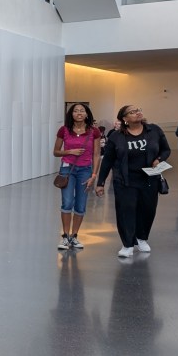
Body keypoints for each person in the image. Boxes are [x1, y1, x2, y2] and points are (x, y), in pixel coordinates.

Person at [96, 105, 171, 258]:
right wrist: (100, 183)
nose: (138, 113)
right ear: (124, 118)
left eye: (138, 110)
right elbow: (108, 160)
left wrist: (159, 159)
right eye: (132, 112)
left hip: (149, 179)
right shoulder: (116, 137)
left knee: (148, 210)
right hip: (125, 180)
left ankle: (141, 238)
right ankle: (128, 244)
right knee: (126, 211)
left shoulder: (154, 130)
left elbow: (166, 150)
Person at [52, 103, 101, 250]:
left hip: (85, 170)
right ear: (71, 114)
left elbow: (96, 154)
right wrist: (69, 152)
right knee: (67, 202)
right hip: (67, 169)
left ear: (87, 114)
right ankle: (65, 237)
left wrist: (94, 175)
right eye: (75, 111)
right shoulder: (64, 130)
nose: (79, 113)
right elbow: (56, 152)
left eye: (82, 110)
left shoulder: (94, 131)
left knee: (80, 204)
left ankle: (74, 236)